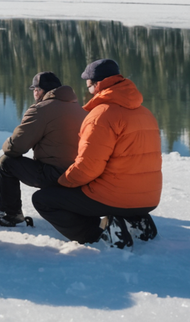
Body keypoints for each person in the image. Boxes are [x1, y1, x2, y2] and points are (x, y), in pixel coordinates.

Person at [31, 59, 162, 248]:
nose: (87, 89)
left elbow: (87, 168)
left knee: (44, 199)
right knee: (106, 187)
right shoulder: (144, 112)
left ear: (97, 84)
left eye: (88, 84)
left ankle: (99, 236)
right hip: (149, 197)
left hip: (117, 196)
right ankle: (137, 221)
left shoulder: (102, 115)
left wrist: (63, 182)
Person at [0, 71, 86, 227]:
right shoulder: (79, 108)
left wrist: (7, 143)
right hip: (80, 173)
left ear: (39, 91)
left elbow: (15, 148)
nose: (34, 93)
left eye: (34, 90)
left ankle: (12, 214)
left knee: (6, 162)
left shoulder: (41, 109)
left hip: (56, 174)